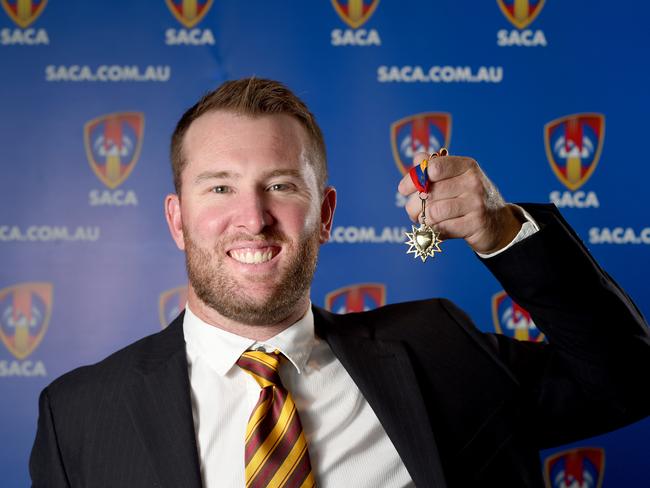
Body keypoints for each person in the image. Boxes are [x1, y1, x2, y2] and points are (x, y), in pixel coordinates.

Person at [30, 78, 650, 487]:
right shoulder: (79, 416)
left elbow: (627, 384)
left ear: (325, 215)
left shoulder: (438, 351)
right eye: (220, 187)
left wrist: (504, 230)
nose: (252, 217)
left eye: (281, 185)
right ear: (177, 219)